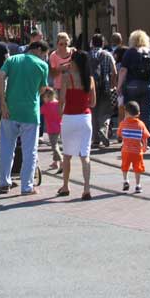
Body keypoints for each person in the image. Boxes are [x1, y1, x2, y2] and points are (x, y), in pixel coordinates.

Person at [0, 40, 49, 195]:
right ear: (39, 50)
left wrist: (3, 103)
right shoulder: (42, 66)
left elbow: (0, 79)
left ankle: (4, 182)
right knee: (30, 151)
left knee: (6, 147)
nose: (44, 58)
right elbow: (43, 89)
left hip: (10, 111)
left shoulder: (13, 59)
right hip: (30, 113)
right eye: (44, 54)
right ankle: (26, 186)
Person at [57, 50, 96, 200]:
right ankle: (86, 188)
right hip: (85, 118)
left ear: (75, 63)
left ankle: (66, 186)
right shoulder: (90, 79)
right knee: (85, 155)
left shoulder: (67, 77)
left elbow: (61, 100)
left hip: (69, 117)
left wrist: (60, 115)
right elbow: (93, 102)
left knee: (67, 155)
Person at [117, 30, 150, 144]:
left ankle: (131, 139)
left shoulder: (130, 53)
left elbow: (123, 70)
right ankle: (147, 141)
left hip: (132, 85)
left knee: (131, 112)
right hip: (148, 86)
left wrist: (119, 86)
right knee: (147, 113)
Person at [88, 34, 117, 149]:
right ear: (103, 43)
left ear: (92, 43)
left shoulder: (88, 55)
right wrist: (112, 85)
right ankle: (103, 130)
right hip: (105, 87)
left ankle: (95, 140)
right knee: (105, 112)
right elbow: (114, 72)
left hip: (91, 88)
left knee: (93, 113)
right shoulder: (107, 55)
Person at [117, 101, 150, 193]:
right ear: (138, 113)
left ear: (126, 113)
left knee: (125, 167)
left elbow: (119, 134)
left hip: (126, 150)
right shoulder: (141, 124)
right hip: (137, 151)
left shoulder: (123, 124)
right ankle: (138, 185)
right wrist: (145, 146)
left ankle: (125, 180)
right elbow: (145, 137)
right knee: (137, 168)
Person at [40, 87, 62, 171]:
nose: (43, 99)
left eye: (44, 97)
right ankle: (55, 162)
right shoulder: (58, 103)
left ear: (48, 97)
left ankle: (61, 160)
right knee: (55, 143)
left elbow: (39, 112)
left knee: (54, 146)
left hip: (51, 129)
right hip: (59, 127)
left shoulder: (46, 106)